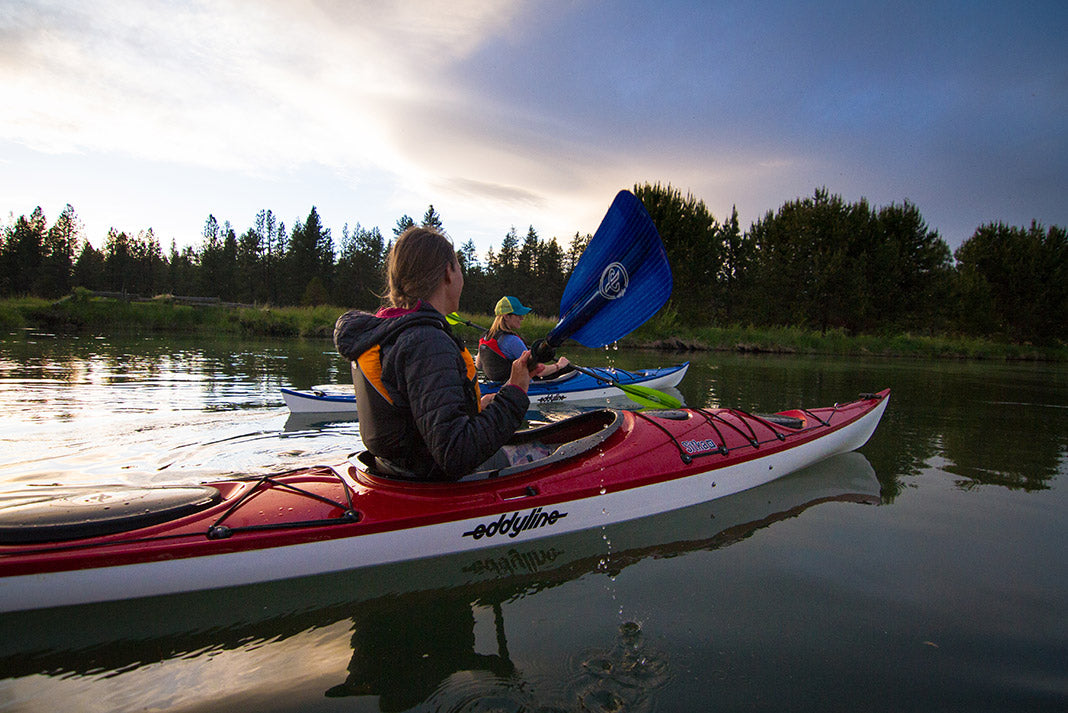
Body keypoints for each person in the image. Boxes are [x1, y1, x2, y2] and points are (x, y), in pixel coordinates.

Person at [334, 227, 536, 481]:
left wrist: (475, 408)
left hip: (399, 471)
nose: (462, 276)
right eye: (459, 268)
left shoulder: (393, 333)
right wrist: (515, 393)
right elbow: (457, 453)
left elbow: (421, 418)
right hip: (430, 482)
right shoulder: (426, 342)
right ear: (448, 274)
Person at [476, 296, 571, 382]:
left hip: (496, 385)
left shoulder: (485, 337)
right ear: (506, 316)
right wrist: (559, 365)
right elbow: (538, 371)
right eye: (518, 315)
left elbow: (479, 365)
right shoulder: (512, 341)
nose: (522, 318)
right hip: (518, 388)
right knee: (567, 371)